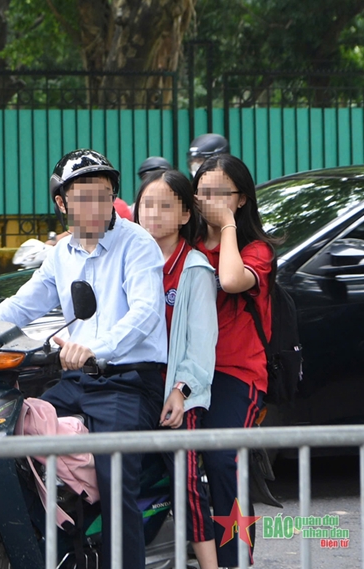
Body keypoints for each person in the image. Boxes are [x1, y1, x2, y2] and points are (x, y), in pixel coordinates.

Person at [0, 149, 167, 569]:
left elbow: (145, 313)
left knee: (115, 479)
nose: (96, 206)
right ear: (62, 203)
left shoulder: (137, 244)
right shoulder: (61, 255)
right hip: (77, 379)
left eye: (103, 195)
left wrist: (98, 347)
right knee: (9, 436)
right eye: (84, 197)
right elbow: (19, 307)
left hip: (129, 380)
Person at [133, 169, 219, 569]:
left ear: (185, 214)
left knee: (186, 481)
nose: (152, 213)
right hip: (134, 387)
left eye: (165, 205)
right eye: (147, 204)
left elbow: (201, 346)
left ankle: (209, 563)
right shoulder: (131, 259)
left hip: (176, 393)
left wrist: (180, 392)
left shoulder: (195, 269)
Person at [194, 153, 276, 567]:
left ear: (241, 198)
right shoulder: (185, 245)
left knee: (224, 460)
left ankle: (236, 560)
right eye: (201, 192)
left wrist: (226, 226)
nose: (206, 200)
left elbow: (230, 279)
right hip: (187, 372)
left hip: (236, 374)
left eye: (218, 193)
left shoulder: (257, 251)